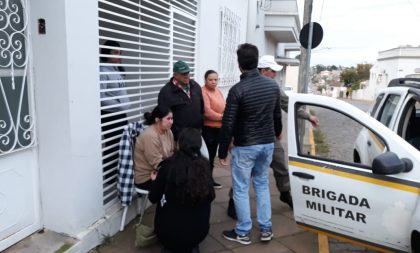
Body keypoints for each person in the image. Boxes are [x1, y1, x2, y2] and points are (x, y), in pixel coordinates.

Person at [218, 43, 282, 244]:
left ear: (239, 64)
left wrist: (222, 152)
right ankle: (266, 229)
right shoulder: (272, 86)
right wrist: (277, 133)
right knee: (262, 185)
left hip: (245, 146)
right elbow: (276, 115)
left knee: (241, 188)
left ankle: (243, 232)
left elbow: (228, 124)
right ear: (256, 62)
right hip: (267, 144)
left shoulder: (237, 90)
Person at [258, 55, 320, 209]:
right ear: (264, 70)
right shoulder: (245, 85)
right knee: (245, 172)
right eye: (273, 71)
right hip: (249, 137)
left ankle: (285, 193)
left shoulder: (273, 87)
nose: (276, 74)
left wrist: (308, 116)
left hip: (269, 135)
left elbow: (287, 105)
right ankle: (234, 200)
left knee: (280, 164)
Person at [148, 128, 215, 253]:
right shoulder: (205, 167)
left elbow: (153, 198)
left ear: (179, 144)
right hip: (199, 232)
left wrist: (154, 181)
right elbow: (211, 197)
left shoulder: (168, 166)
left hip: (168, 233)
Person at [100, 40, 130, 176]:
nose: (119, 56)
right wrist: (118, 103)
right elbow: (101, 96)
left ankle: (117, 173)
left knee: (122, 144)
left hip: (120, 114)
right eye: (115, 53)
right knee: (112, 145)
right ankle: (108, 175)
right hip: (110, 115)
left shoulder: (116, 70)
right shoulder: (102, 71)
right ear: (107, 53)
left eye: (120, 53)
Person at [158, 61, 204, 141]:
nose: (187, 76)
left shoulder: (195, 86)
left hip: (196, 133)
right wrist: (175, 135)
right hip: (179, 137)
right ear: (175, 75)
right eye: (183, 74)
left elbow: (202, 107)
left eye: (188, 73)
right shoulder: (166, 92)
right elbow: (163, 117)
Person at [133, 105, 175, 190]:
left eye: (172, 118)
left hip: (161, 170)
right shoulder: (150, 136)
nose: (171, 122)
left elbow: (172, 152)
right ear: (157, 120)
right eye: (168, 119)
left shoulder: (168, 131)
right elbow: (157, 164)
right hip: (147, 177)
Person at [201, 70, 225, 189]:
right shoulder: (203, 92)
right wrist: (222, 117)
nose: (214, 82)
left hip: (218, 128)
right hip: (208, 129)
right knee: (207, 157)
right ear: (205, 80)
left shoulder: (218, 91)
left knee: (212, 156)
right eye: (211, 79)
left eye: (216, 79)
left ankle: (209, 180)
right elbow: (207, 111)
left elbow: (224, 106)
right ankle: (205, 182)